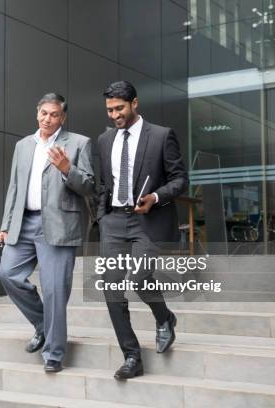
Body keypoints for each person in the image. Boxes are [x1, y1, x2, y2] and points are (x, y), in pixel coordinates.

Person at [0, 93, 95, 373]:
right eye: (44, 113)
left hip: (59, 225)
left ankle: (54, 353)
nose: (48, 119)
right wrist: (6, 225)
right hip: (24, 223)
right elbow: (14, 187)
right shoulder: (23, 145)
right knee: (8, 274)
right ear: (37, 113)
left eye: (54, 115)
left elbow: (89, 186)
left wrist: (68, 169)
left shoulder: (78, 143)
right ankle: (43, 324)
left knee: (55, 291)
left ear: (62, 117)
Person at [96, 80, 188, 380]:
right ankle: (132, 356)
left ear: (134, 103)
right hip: (114, 222)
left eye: (119, 108)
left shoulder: (161, 136)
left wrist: (155, 197)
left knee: (139, 276)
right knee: (111, 289)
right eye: (110, 110)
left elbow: (179, 179)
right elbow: (103, 184)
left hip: (147, 221)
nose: (114, 115)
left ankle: (164, 318)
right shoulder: (104, 140)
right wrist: (102, 216)